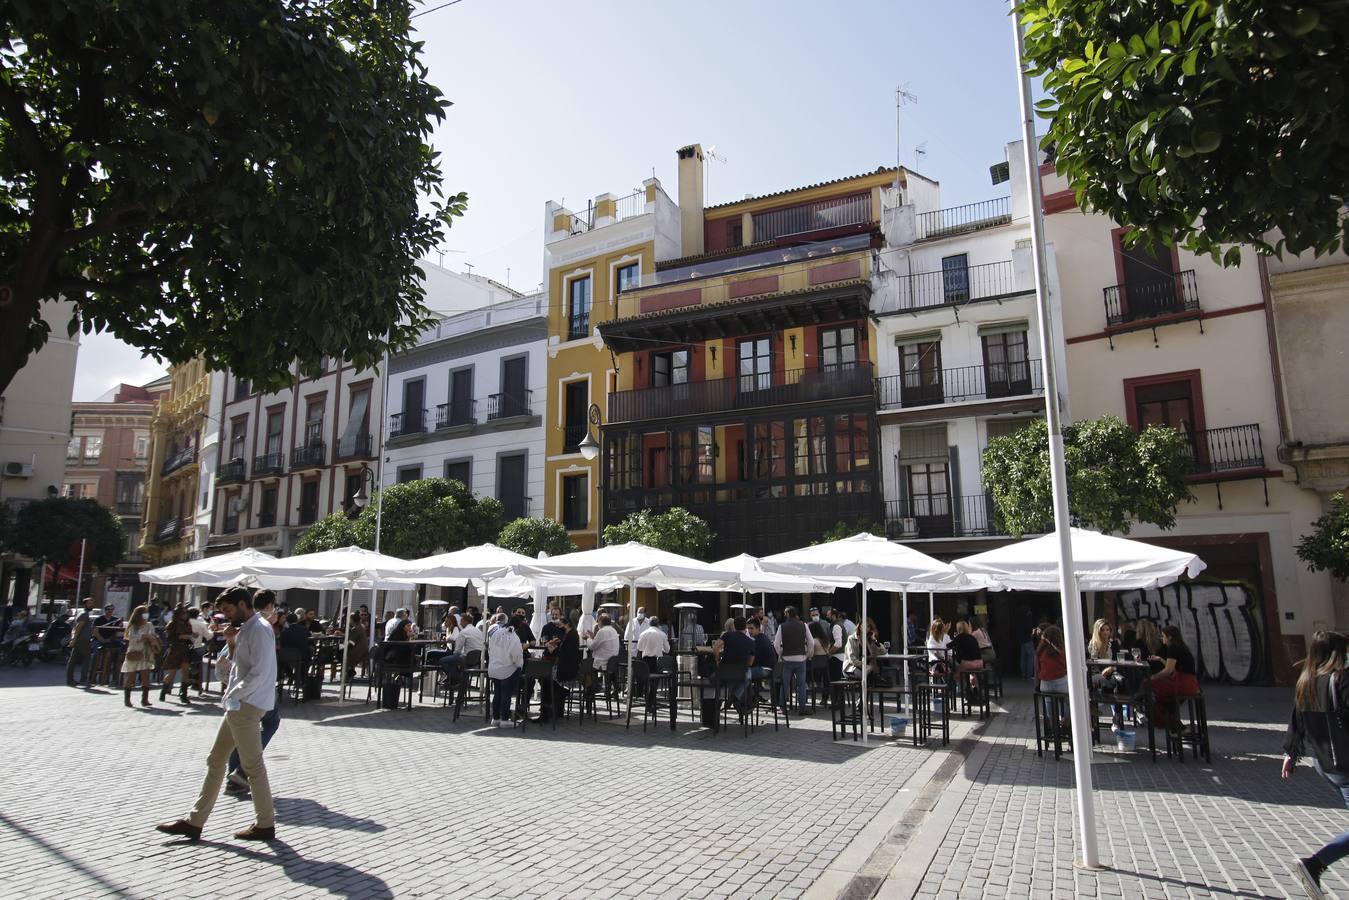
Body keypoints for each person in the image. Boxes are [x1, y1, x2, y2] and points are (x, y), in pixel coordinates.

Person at [156, 585, 278, 842]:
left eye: (228, 609)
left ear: (243, 605)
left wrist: (235, 693)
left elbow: (259, 671)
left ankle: (265, 823)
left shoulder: (259, 629)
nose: (225, 615)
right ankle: (195, 820)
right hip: (238, 704)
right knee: (216, 759)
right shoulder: (247, 629)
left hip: (246, 704)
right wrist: (232, 644)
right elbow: (240, 665)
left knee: (252, 766)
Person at [1281, 630, 1349, 899]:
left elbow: (1295, 720)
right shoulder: (1340, 680)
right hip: (1345, 763)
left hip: (1324, 763)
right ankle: (1315, 863)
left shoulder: (1306, 681)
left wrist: (1291, 753)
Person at [225, 591, 282, 797]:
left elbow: (239, 662)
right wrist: (236, 693)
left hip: (244, 693)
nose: (226, 615)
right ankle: (240, 773)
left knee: (234, 737)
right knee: (268, 725)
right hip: (254, 694)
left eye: (227, 610)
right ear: (268, 606)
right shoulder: (258, 627)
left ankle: (234, 777)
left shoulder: (252, 626)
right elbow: (255, 669)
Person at [1149, 625, 1200, 729]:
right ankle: (1172, 718)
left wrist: (1153, 677)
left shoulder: (1173, 648)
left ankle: (1168, 721)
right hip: (1191, 683)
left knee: (1148, 686)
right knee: (1159, 694)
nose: (1161, 638)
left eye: (1163, 636)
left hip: (1184, 683)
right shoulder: (1179, 646)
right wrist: (1160, 659)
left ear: (1170, 637)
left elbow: (1168, 670)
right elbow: (1171, 666)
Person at [774, 606, 812, 716]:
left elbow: (776, 644)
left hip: (787, 659)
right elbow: (811, 642)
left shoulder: (782, 626)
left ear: (787, 614)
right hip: (801, 658)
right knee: (801, 684)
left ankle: (783, 707)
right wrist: (807, 654)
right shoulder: (804, 625)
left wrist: (780, 655)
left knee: (784, 684)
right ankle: (802, 708)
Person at [487, 614, 524, 727]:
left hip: (493, 667)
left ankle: (496, 718)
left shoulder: (496, 633)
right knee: (506, 694)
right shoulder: (513, 637)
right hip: (507, 669)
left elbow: (490, 649)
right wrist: (519, 665)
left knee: (497, 693)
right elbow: (516, 655)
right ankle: (504, 719)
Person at [121, 606, 159, 708]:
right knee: (131, 676)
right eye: (144, 612)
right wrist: (145, 637)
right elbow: (133, 638)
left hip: (146, 652)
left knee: (145, 675)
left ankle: (145, 699)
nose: (146, 614)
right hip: (135, 652)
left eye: (147, 612)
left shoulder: (149, 625)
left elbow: (153, 636)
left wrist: (152, 639)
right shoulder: (133, 626)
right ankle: (127, 698)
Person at [158, 606, 197, 704]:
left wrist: (192, 636)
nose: (185, 615)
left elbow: (190, 634)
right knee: (172, 674)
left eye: (186, 613)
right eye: (183, 613)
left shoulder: (188, 624)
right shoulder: (172, 624)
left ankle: (183, 695)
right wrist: (183, 636)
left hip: (185, 649)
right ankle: (163, 691)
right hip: (175, 649)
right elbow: (169, 637)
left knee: (185, 671)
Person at [715, 616, 756, 706]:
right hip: (740, 673)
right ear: (745, 626)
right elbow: (750, 663)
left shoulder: (727, 635)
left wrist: (717, 659)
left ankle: (721, 698)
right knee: (749, 674)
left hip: (724, 671)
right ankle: (735, 696)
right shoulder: (751, 642)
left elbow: (716, 647)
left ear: (734, 625)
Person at [949, 620, 984, 699]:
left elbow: (948, 646)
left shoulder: (959, 637)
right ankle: (976, 688)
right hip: (979, 662)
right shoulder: (972, 637)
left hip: (968, 663)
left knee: (957, 675)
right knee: (972, 673)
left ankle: (967, 690)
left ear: (958, 629)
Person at [66, 597, 95, 688]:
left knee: (73, 660)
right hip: (83, 640)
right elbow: (78, 627)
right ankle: (83, 679)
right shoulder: (84, 614)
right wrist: (73, 639)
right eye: (90, 603)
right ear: (85, 604)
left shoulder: (82, 613)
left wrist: (74, 638)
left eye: (92, 603)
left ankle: (70, 680)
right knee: (87, 659)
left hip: (79, 640)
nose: (91, 605)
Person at [747, 618, 778, 685]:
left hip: (765, 669)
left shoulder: (758, 640)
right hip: (769, 668)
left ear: (758, 628)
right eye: (748, 628)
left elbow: (755, 660)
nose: (749, 631)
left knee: (743, 675)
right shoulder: (762, 637)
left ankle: (736, 695)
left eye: (751, 628)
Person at [828, 611, 848, 681]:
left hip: (837, 657)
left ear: (833, 616)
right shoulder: (839, 624)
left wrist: (829, 653)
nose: (827, 617)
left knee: (835, 681)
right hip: (840, 656)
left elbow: (838, 644)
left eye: (828, 615)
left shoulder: (836, 626)